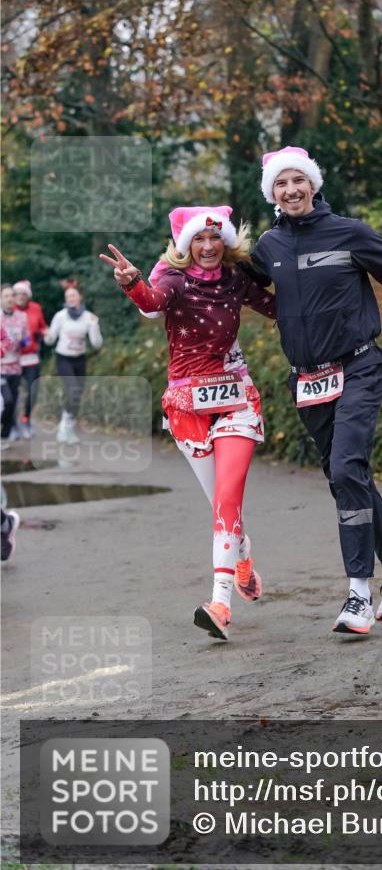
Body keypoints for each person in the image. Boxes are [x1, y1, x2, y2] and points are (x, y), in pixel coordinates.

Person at [250, 146, 382, 636]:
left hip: (358, 367)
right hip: (307, 380)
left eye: (298, 180)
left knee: (347, 468)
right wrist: (154, 286)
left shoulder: (349, 232)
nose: (291, 189)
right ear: (272, 193)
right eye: (281, 183)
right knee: (346, 476)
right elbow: (229, 281)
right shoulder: (269, 246)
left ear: (313, 184)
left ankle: (359, 592)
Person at [99, 206, 277, 641]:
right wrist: (132, 282)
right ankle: (242, 555)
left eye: (215, 238)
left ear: (226, 242)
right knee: (219, 503)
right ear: (186, 245)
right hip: (187, 406)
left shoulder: (236, 280)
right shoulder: (175, 282)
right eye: (199, 239)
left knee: (227, 495)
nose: (209, 246)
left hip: (235, 399)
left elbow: (278, 307)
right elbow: (152, 301)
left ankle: (220, 603)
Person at [44, 281, 103, 444]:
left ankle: (67, 427)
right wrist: (46, 335)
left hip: (79, 359)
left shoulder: (88, 317)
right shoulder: (60, 316)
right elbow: (50, 340)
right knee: (73, 389)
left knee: (77, 394)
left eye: (73, 295)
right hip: (63, 357)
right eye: (67, 296)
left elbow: (97, 344)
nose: (70, 298)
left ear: (80, 297)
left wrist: (94, 325)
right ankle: (64, 428)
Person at [13, 279, 49, 439]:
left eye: (23, 294)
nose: (20, 296)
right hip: (13, 359)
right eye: (17, 294)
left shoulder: (36, 308)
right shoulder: (9, 309)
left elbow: (43, 326)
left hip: (31, 357)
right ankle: (12, 425)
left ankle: (26, 420)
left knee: (33, 390)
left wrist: (44, 333)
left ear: (28, 296)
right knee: (12, 394)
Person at [1, 284, 30, 443]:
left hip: (16, 367)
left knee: (12, 403)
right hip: (1, 368)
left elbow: (27, 339)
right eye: (6, 296)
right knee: (7, 401)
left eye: (12, 295)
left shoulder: (22, 317)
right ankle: (5, 432)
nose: (9, 299)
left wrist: (22, 341)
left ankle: (5, 434)